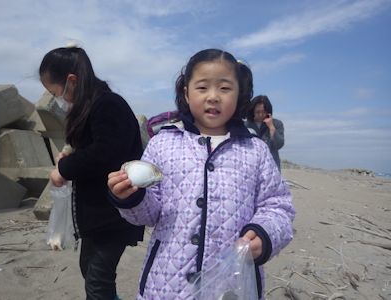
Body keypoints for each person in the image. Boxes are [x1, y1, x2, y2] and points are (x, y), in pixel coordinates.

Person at [107, 49, 295, 299]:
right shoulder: (163, 143)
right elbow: (149, 214)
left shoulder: (256, 150)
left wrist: (264, 233)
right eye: (202, 87)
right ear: (186, 92)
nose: (213, 97)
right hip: (167, 285)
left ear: (239, 95)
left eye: (225, 88)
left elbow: (278, 206)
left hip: (231, 286)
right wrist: (130, 198)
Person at [39, 46, 145, 300]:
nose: (57, 98)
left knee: (98, 281)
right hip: (95, 214)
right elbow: (90, 148)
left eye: (55, 92)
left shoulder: (108, 104)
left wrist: (64, 169)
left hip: (114, 212)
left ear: (71, 81)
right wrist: (69, 156)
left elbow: (105, 153)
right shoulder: (90, 106)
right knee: (90, 270)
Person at [245, 95, 285, 171]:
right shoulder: (246, 125)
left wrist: (271, 128)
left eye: (263, 112)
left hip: (272, 167)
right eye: (257, 112)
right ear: (252, 111)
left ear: (268, 111)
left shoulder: (277, 124)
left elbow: (279, 145)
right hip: (251, 167)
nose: (261, 115)